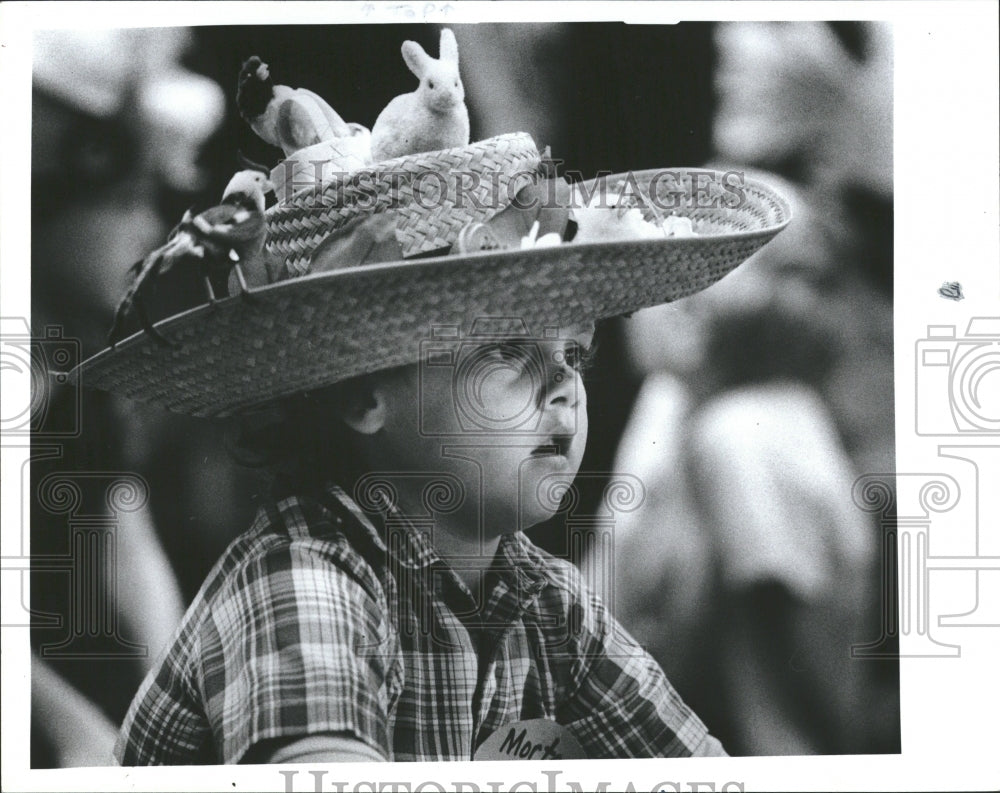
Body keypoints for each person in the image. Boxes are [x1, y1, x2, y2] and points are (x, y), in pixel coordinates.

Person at [87, 34, 789, 763]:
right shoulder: (302, 575)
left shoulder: (546, 601)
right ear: (364, 392)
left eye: (574, 352)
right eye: (510, 350)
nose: (564, 387)